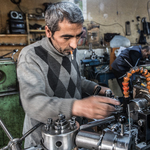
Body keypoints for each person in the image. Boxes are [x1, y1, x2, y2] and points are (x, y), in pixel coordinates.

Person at [17, 2, 120, 147]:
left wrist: (96, 88)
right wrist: (77, 107)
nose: (74, 44)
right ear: (48, 31)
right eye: (66, 37)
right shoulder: (31, 56)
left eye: (78, 36)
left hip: (74, 134)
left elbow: (75, 78)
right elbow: (33, 102)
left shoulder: (71, 50)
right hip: (43, 142)